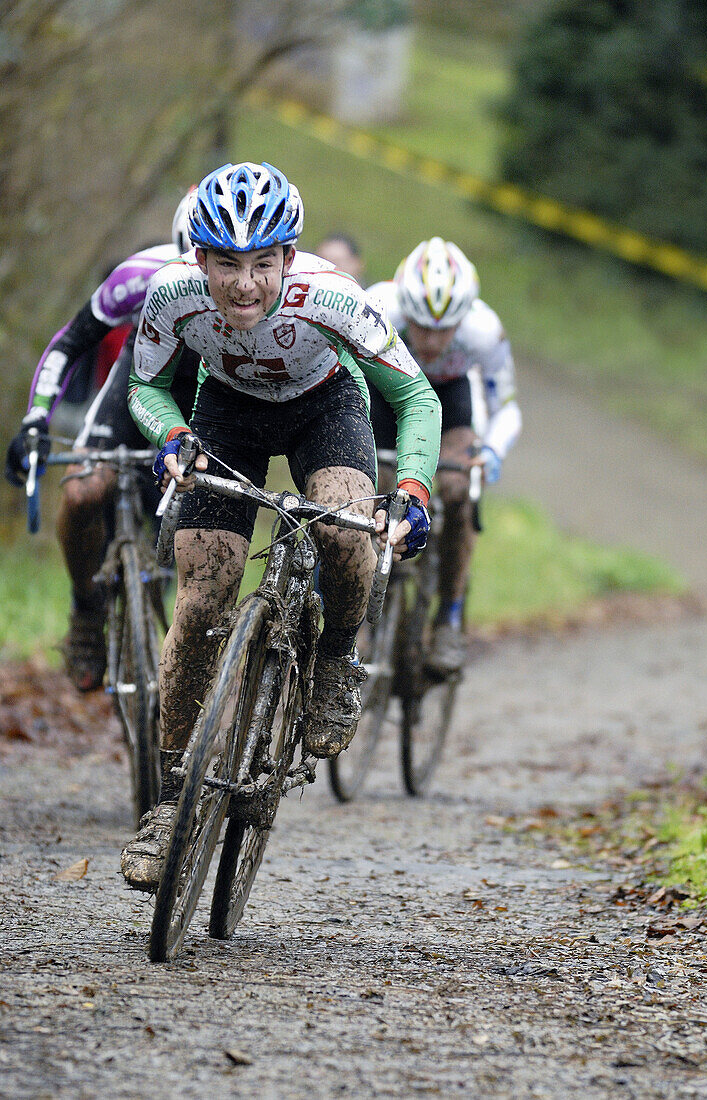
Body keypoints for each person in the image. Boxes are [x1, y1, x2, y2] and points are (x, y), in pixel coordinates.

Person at [120, 161, 441, 892]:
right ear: (198, 258)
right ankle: (170, 805)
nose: (244, 284)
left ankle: (334, 661)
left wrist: (415, 488)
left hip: (324, 410)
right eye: (226, 263)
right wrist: (170, 437)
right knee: (201, 596)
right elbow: (147, 384)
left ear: (288, 259)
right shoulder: (170, 296)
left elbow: (415, 395)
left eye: (262, 263)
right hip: (226, 415)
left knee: (345, 529)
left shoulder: (332, 298)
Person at [5, 191, 200, 692]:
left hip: (210, 394)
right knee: (82, 490)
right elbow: (71, 342)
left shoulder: (259, 290)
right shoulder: (136, 278)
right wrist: (36, 419)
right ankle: (88, 615)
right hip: (138, 382)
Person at [367, 237, 522, 675]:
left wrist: (491, 451)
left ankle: (450, 614)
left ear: (464, 317)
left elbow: (507, 406)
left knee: (461, 490)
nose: (432, 341)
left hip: (452, 400)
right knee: (366, 485)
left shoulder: (484, 332)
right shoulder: (377, 309)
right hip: (389, 392)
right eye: (421, 325)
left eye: (444, 329)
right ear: (405, 310)